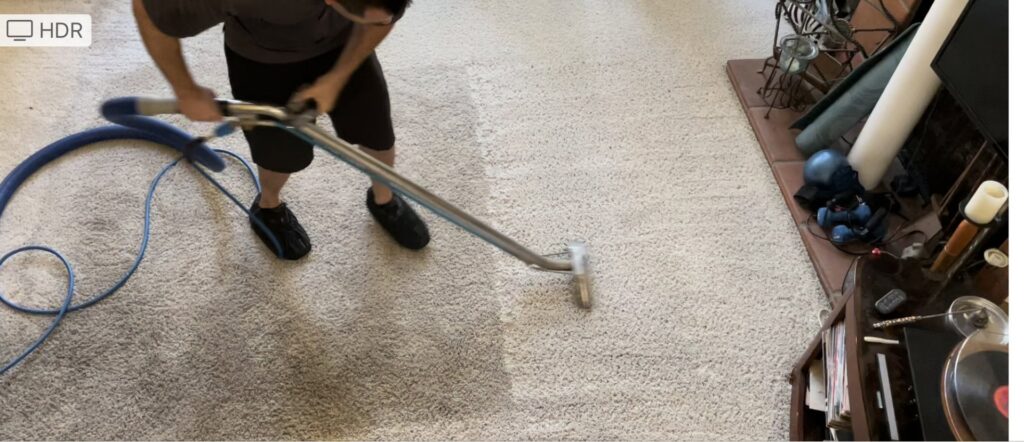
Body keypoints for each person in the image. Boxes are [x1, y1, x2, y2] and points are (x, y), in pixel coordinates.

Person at [132, 0, 429, 260]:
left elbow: (383, 17)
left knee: (376, 134)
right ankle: (269, 206)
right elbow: (148, 10)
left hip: (346, 42)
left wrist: (337, 78)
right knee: (281, 157)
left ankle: (383, 197)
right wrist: (186, 91)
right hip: (264, 57)